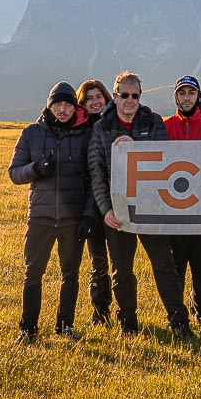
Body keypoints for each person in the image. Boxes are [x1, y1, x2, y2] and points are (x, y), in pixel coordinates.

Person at [87, 72, 194, 339]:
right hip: (118, 209)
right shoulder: (101, 127)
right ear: (115, 96)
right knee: (121, 269)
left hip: (150, 206)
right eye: (124, 95)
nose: (130, 100)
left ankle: (179, 322)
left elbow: (164, 161)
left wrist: (135, 149)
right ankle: (128, 323)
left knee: (164, 265)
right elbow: (96, 173)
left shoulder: (152, 120)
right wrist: (105, 210)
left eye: (135, 95)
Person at [7, 81, 95, 343]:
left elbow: (93, 179)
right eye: (58, 104)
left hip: (73, 218)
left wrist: (89, 214)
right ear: (49, 106)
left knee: (71, 274)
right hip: (40, 217)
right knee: (33, 272)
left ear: (74, 107)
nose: (63, 109)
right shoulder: (31, 133)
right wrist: (36, 169)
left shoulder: (84, 135)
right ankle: (28, 329)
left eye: (68, 104)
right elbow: (14, 173)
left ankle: (65, 326)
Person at [163, 75, 201, 324]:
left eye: (191, 93)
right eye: (182, 93)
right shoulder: (164, 127)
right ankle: (176, 311)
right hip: (172, 207)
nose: (186, 98)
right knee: (175, 265)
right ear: (176, 97)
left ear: (198, 96)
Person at [76, 79, 113, 325]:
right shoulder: (78, 129)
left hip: (118, 201)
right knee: (98, 260)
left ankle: (125, 311)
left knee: (121, 262)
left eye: (99, 96)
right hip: (89, 206)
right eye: (89, 98)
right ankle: (100, 312)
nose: (95, 101)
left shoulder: (116, 123)